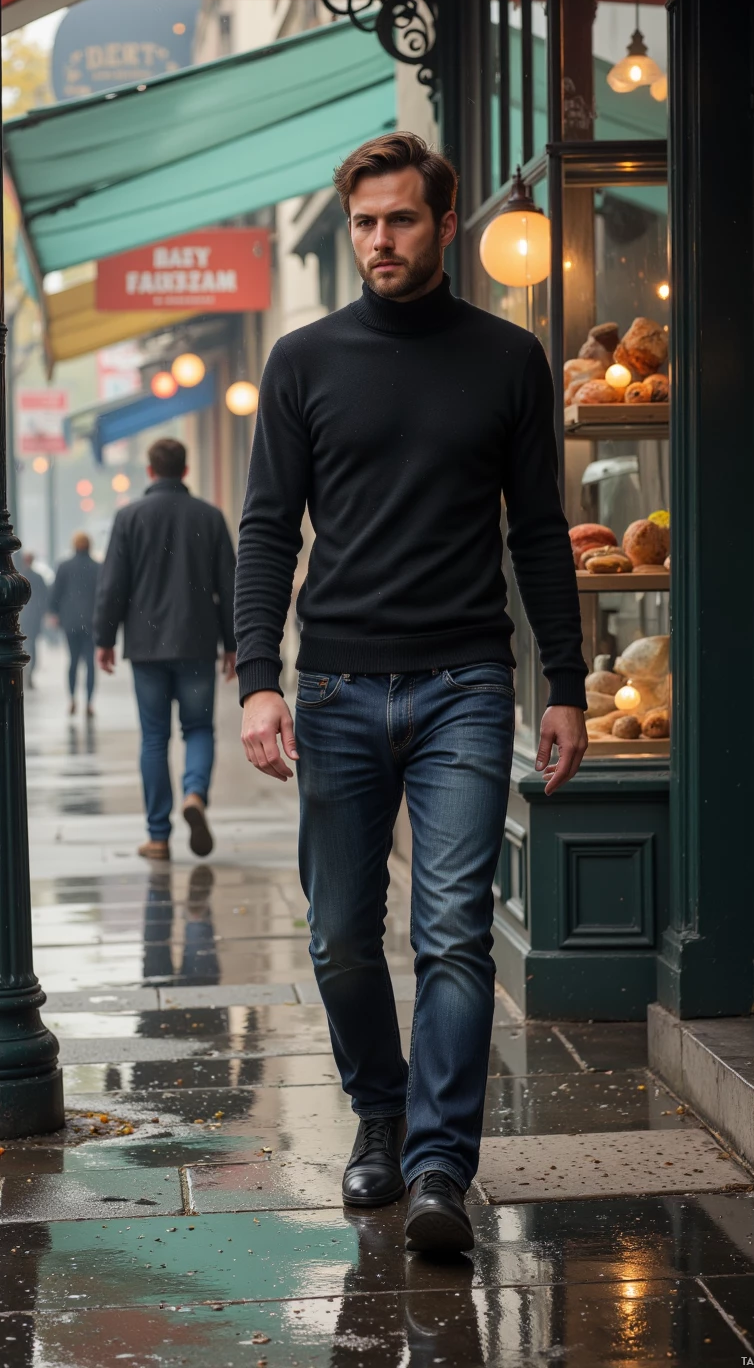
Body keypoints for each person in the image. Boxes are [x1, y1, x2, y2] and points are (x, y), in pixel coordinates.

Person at [234, 132, 588, 1255]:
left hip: (466, 685)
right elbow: (263, 531)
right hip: (333, 683)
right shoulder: (301, 360)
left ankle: (438, 1164)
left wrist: (566, 685)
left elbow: (538, 533)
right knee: (340, 937)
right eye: (363, 222)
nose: (377, 240)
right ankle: (378, 1118)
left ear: (443, 225)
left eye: (397, 220)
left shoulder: (508, 359)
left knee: (453, 934)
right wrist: (257, 681)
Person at [94, 437, 237, 862]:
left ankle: (158, 836)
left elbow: (112, 584)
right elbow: (230, 584)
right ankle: (194, 793)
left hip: (146, 644)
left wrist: (104, 638)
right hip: (196, 641)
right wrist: (234, 643)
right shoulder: (210, 518)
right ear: (186, 470)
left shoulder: (128, 517)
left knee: (154, 738)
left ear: (151, 471)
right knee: (197, 729)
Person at [47, 532, 100, 716]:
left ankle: (71, 698)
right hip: (91, 622)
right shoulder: (97, 567)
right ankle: (89, 702)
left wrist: (53, 613)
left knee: (73, 661)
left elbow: (56, 592)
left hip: (70, 621)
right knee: (90, 663)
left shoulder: (64, 566)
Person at [20, 552, 49, 687]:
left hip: (22, 617)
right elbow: (44, 597)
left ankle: (26, 671)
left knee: (25, 644)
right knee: (32, 644)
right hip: (34, 617)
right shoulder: (38, 577)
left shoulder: (19, 577)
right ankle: (30, 671)